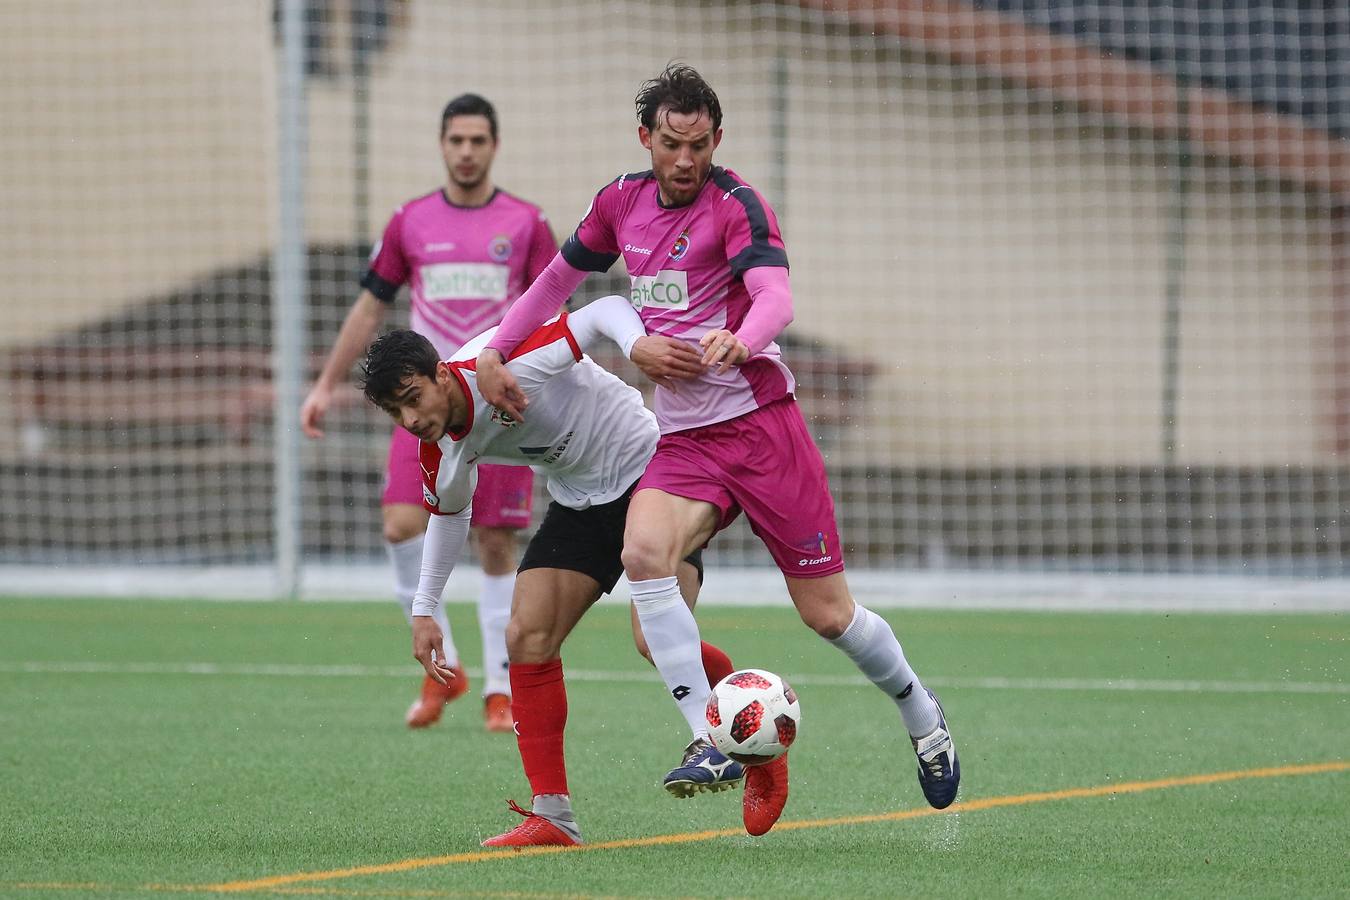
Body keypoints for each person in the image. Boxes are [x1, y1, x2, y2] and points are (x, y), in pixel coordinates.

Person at [475, 63, 960, 838]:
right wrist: (498, 350)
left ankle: (919, 709)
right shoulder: (619, 203)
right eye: (671, 144)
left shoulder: (735, 205)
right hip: (686, 441)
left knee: (828, 616)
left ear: (716, 141)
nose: (685, 160)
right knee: (642, 555)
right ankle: (709, 737)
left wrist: (744, 338)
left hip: (765, 429)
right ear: (647, 138)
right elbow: (557, 280)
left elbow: (777, 297)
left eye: (699, 145)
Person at [359, 295, 743, 848]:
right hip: (581, 503)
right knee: (526, 635)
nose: (411, 419)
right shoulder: (438, 448)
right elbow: (449, 515)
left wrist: (634, 345)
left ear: (442, 374)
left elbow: (600, 310)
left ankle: (748, 720)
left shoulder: (510, 362)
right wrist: (424, 610)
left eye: (413, 399)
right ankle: (553, 816)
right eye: (396, 413)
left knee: (649, 638)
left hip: (656, 474)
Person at [300, 93, 557, 732]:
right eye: (455, 141)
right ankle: (443, 665)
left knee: (496, 541)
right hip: (422, 406)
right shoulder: (409, 221)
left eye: (477, 140)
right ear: (442, 146)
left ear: (494, 146)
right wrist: (327, 383)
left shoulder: (525, 222)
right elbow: (369, 307)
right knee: (398, 524)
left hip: (494, 407)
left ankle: (500, 689)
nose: (466, 151)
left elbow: (551, 310)